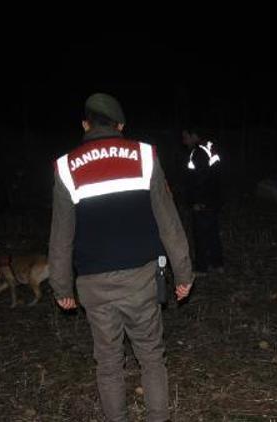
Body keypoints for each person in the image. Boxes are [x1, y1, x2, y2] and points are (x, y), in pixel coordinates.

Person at [49, 93, 194, 422]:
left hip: (94, 285)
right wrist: (184, 274)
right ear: (121, 125)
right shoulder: (144, 155)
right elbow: (169, 223)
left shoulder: (65, 166)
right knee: (152, 358)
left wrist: (62, 288)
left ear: (85, 125)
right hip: (141, 280)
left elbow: (61, 237)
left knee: (109, 364)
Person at [182, 127, 224, 276]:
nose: (184, 141)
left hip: (203, 202)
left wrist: (197, 202)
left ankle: (202, 268)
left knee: (200, 235)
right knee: (213, 233)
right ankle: (217, 264)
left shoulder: (198, 152)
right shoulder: (211, 148)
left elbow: (200, 179)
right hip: (214, 201)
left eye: (186, 136)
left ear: (194, 135)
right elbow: (217, 177)